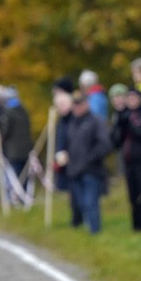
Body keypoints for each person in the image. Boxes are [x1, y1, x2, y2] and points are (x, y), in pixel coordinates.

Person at [62, 91, 111, 234]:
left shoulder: (95, 121)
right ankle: (87, 228)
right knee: (80, 203)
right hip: (75, 169)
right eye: (74, 105)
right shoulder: (72, 123)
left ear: (86, 104)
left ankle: (95, 232)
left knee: (91, 203)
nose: (76, 108)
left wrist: (90, 158)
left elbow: (105, 145)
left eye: (79, 104)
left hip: (91, 169)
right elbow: (69, 144)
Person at [112, 88, 141, 231]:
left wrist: (131, 126)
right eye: (129, 99)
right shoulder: (123, 116)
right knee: (133, 195)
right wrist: (120, 124)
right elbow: (116, 140)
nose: (131, 102)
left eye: (134, 98)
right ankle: (137, 226)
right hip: (128, 161)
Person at [52, 77, 81, 228]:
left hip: (76, 158)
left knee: (78, 190)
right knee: (71, 191)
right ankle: (76, 218)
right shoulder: (62, 120)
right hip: (65, 157)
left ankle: (79, 218)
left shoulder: (74, 118)